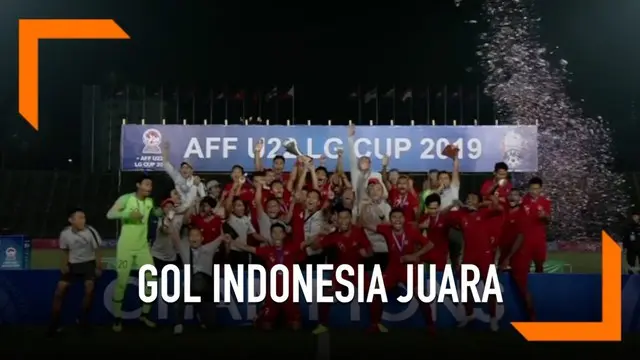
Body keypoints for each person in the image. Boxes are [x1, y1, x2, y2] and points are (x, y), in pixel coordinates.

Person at [106, 174, 162, 332]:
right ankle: (117, 318)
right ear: (138, 185)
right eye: (146, 184)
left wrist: (160, 213)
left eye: (151, 185)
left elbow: (154, 215)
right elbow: (109, 215)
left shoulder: (150, 202)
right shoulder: (126, 199)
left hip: (143, 247)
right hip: (125, 248)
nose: (149, 188)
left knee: (151, 279)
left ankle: (144, 315)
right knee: (122, 281)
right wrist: (128, 214)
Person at [364, 209, 435, 333]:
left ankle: (430, 326)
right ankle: (375, 324)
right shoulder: (386, 229)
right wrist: (365, 208)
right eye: (394, 217)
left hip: (409, 268)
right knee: (376, 291)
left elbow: (430, 244)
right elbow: (366, 224)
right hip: (393, 268)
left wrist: (415, 255)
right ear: (390, 220)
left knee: (420, 295)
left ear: (404, 219)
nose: (397, 220)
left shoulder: (412, 231)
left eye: (400, 217)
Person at [307, 207, 373, 334]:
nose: (343, 221)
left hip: (357, 270)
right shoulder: (332, 236)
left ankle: (376, 324)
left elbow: (370, 250)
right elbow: (315, 247)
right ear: (337, 219)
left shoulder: (359, 232)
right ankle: (322, 324)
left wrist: (366, 253)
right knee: (326, 293)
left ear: (350, 219)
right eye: (341, 218)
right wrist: (320, 235)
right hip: (340, 271)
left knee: (374, 292)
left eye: (346, 217)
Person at [230, 223, 306, 330]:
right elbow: (248, 248)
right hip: (273, 293)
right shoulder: (267, 251)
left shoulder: (292, 248)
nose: (277, 235)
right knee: (266, 326)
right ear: (271, 235)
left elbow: (306, 243)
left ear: (284, 235)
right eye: (274, 233)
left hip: (289, 292)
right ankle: (261, 318)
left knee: (296, 325)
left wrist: (321, 234)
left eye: (280, 232)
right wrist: (231, 241)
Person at [448, 192, 501, 331]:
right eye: (468, 198)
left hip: (485, 255)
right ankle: (469, 314)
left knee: (490, 287)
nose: (470, 201)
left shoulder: (484, 213)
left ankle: (493, 318)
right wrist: (457, 206)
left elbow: (499, 209)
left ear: (478, 202)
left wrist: (487, 201)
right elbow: (445, 217)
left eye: (473, 199)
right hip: (469, 256)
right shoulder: (461, 215)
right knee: (465, 288)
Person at [48, 208, 103, 335]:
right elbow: (65, 251)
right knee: (60, 290)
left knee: (89, 288)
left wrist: (99, 267)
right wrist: (64, 265)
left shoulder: (91, 231)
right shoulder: (65, 233)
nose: (83, 220)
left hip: (88, 263)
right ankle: (54, 323)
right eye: (79, 217)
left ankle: (82, 320)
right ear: (71, 220)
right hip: (72, 264)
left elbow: (98, 250)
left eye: (83, 217)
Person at [172, 227, 226, 335]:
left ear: (202, 238)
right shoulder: (184, 250)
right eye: (191, 235)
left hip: (206, 287)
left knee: (211, 325)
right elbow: (175, 236)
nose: (194, 238)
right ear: (188, 239)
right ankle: (178, 324)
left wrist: (225, 234)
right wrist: (170, 219)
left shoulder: (209, 248)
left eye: (197, 235)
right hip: (190, 285)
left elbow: (221, 237)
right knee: (181, 295)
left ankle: (202, 316)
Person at [497, 188, 536, 321]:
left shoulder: (522, 214)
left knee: (522, 287)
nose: (512, 198)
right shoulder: (506, 213)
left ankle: (532, 317)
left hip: (518, 255)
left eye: (515, 195)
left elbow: (520, 237)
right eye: (510, 195)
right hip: (505, 253)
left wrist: (508, 258)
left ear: (520, 199)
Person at [347, 124, 387, 217]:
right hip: (358, 208)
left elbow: (385, 194)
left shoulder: (377, 175)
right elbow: (352, 157)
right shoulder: (356, 174)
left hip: (375, 208)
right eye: (361, 161)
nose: (363, 163)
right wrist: (350, 138)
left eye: (366, 161)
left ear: (370, 164)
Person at [161, 142, 206, 210]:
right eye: (183, 168)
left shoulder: (197, 182)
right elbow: (165, 163)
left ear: (191, 171)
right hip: (180, 208)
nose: (184, 170)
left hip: (192, 210)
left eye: (187, 168)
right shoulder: (177, 177)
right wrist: (166, 150)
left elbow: (204, 198)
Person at [359, 178, 391, 271]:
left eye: (378, 189)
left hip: (383, 248)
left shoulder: (386, 207)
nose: (374, 192)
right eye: (371, 189)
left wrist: (379, 213)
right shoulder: (363, 206)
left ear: (382, 192)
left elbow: (388, 228)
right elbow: (360, 224)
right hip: (368, 248)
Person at [521, 177, 551, 273]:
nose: (534, 191)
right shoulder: (522, 201)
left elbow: (548, 221)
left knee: (539, 265)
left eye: (537, 189)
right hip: (525, 239)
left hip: (539, 238)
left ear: (541, 189)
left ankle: (540, 286)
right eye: (532, 189)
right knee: (525, 266)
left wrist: (544, 216)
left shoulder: (545, 202)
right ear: (529, 189)